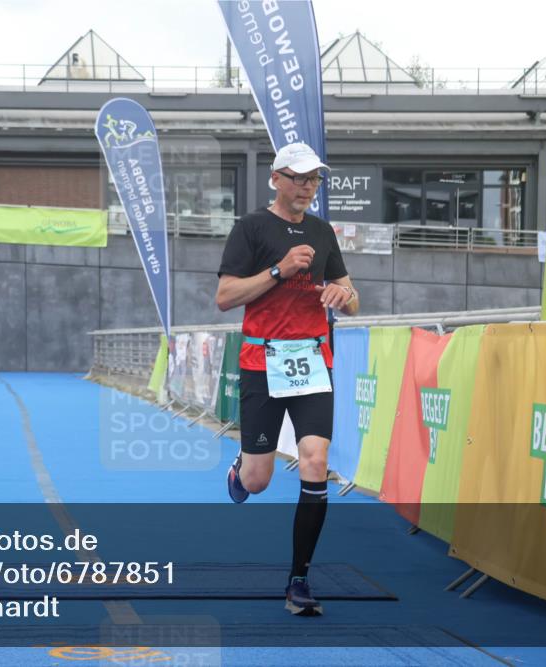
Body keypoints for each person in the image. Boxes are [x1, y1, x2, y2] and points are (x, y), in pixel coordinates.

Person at [216, 143, 360, 617]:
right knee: (258, 481)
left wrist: (343, 293)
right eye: (299, 177)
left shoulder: (323, 232)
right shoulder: (251, 228)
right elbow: (225, 297)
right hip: (262, 363)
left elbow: (352, 297)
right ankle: (243, 464)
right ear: (276, 179)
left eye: (315, 179)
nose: (307, 186)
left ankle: (299, 578)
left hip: (313, 362)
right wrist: (279, 270)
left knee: (314, 459)